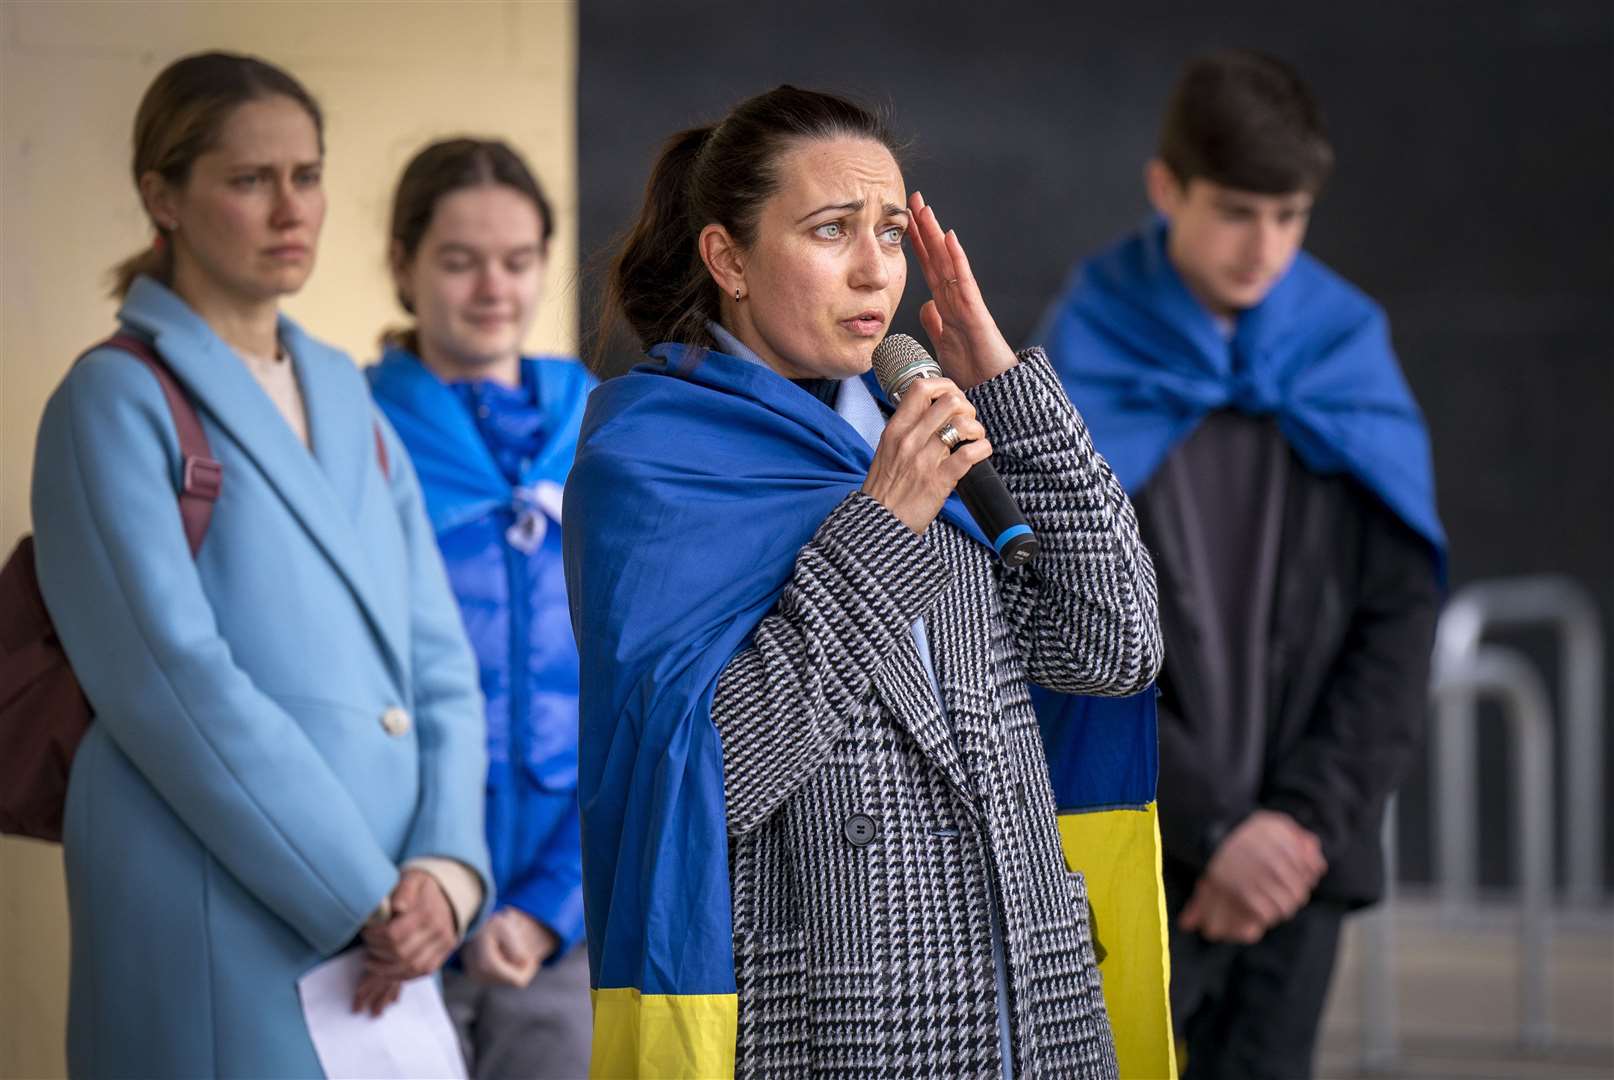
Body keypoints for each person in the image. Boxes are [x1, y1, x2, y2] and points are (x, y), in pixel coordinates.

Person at [564, 85, 1164, 1078]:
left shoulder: (914, 427)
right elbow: (705, 773)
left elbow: (1114, 644)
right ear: (729, 259)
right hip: (838, 1018)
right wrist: (880, 526)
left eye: (890, 231)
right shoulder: (652, 460)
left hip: (1032, 1007)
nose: (873, 268)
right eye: (830, 230)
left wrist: (1008, 390)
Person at [29, 52, 490, 1076]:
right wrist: (364, 894)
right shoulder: (110, 399)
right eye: (250, 180)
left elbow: (441, 665)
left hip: (386, 932)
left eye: (308, 174)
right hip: (217, 907)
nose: (292, 209)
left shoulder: (349, 396)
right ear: (163, 196)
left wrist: (449, 870)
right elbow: (171, 686)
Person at [1033, 49, 1445, 1080]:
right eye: (1236, 211)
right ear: (1166, 186)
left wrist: (1298, 827)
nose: (1266, 247)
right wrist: (1215, 828)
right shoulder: (1084, 349)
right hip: (1131, 835)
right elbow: (1051, 617)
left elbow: (1398, 616)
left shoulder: (1342, 347)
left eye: (1290, 216)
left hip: (1302, 858)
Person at [368, 137, 596, 1079]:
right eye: (459, 261)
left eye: (518, 260)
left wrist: (554, 907)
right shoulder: (350, 428)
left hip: (559, 925)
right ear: (404, 266)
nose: (493, 288)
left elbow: (648, 691)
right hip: (388, 913)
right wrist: (393, 892)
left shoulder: (602, 426)